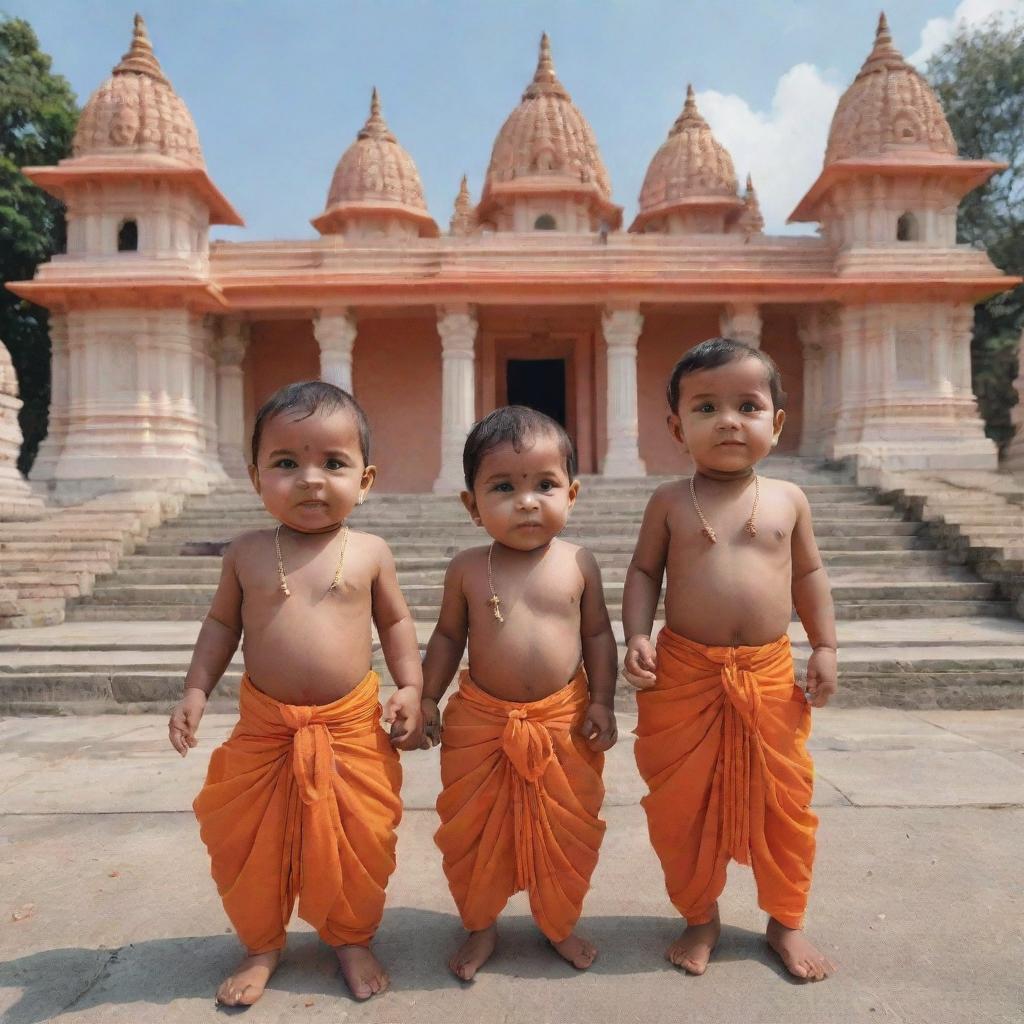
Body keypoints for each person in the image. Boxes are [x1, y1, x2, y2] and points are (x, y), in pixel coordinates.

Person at [168, 381, 423, 1006]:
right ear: (257, 478)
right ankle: (261, 945)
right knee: (250, 845)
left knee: (359, 839)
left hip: (351, 730)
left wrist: (412, 686)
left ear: (365, 479)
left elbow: (394, 623)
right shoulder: (247, 552)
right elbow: (222, 625)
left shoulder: (370, 552)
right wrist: (195, 690)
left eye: (333, 463)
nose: (311, 480)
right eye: (287, 463)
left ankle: (351, 937)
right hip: (266, 731)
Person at [622, 338, 838, 982]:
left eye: (748, 405)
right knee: (684, 804)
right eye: (706, 407)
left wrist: (824, 644)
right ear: (676, 428)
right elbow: (642, 573)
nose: (728, 421)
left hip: (768, 676)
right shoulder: (667, 500)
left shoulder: (788, 498)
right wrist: (637, 632)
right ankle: (700, 915)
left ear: (776, 423)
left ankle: (785, 919)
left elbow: (809, 575)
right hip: (687, 674)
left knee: (784, 803)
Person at [419, 405, 618, 981]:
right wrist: (429, 698)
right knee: (476, 834)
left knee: (565, 831)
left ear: (572, 494)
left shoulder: (579, 562)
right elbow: (448, 636)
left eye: (545, 485)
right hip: (483, 724)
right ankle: (481, 927)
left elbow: (599, 633)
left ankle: (559, 924)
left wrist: (603, 699)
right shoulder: (466, 568)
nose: (527, 500)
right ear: (471, 505)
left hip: (563, 721)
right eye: (503, 486)